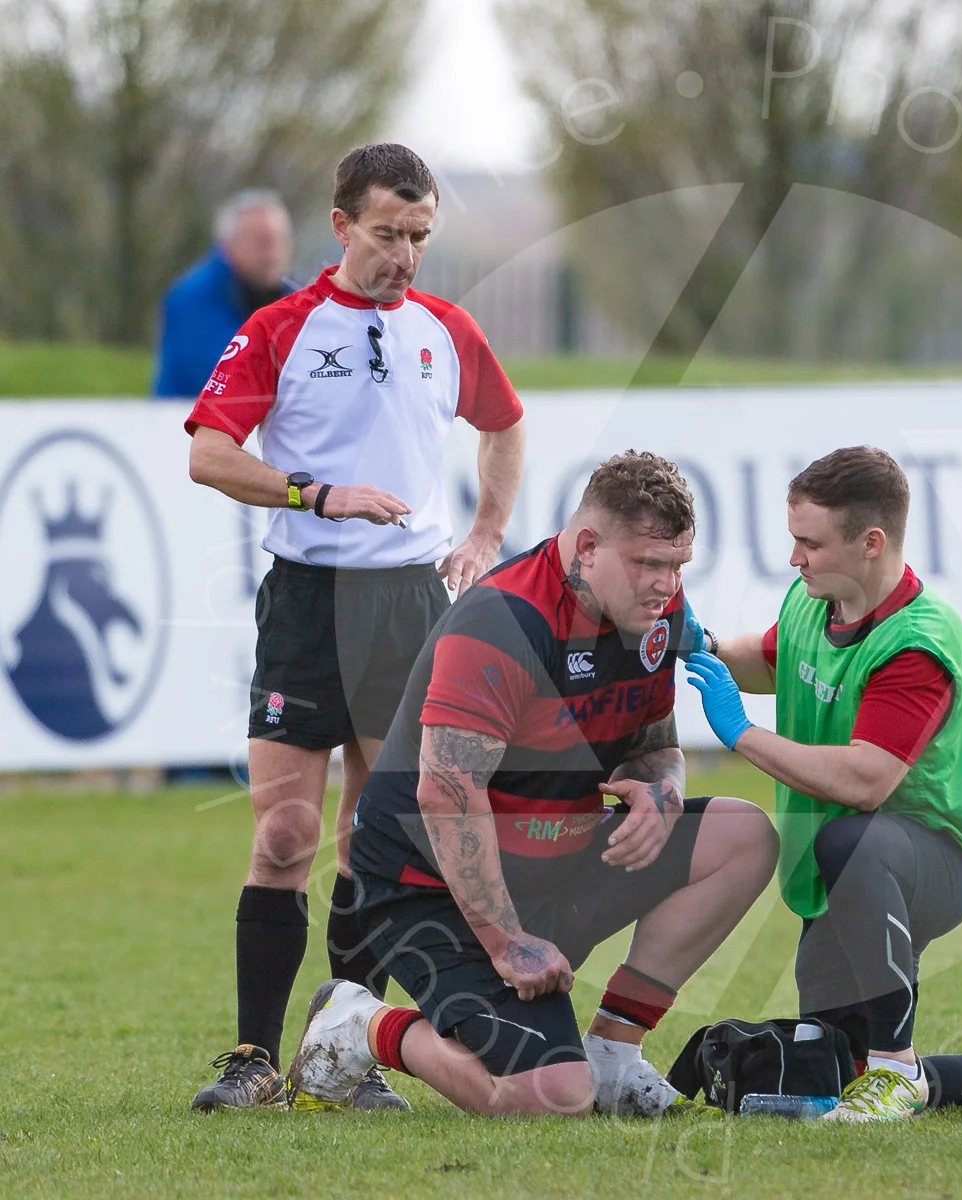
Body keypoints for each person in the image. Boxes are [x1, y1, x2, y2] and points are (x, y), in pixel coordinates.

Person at [184, 143, 528, 1113]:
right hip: (307, 599)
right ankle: (253, 1056)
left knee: (372, 843)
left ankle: (341, 1057)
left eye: (420, 237)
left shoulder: (445, 329)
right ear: (340, 228)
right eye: (387, 235)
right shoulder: (280, 328)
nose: (406, 255)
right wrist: (316, 494)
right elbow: (211, 455)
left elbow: (504, 423)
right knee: (287, 833)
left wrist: (487, 531)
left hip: (408, 606)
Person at [284, 452, 779, 1118]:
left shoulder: (654, 612)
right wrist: (505, 940)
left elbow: (655, 744)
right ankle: (358, 1024)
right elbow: (446, 792)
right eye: (648, 564)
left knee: (743, 835)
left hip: (551, 866)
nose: (665, 585)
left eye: (677, 566)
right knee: (547, 1096)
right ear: (587, 545)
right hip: (430, 890)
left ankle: (613, 1053)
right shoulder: (503, 621)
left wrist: (660, 794)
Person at [681, 446, 962, 1122]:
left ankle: (896, 1066)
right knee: (837, 1074)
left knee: (849, 842)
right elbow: (774, 659)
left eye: (809, 542)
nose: (793, 558)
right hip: (851, 865)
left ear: (871, 543)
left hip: (927, 862)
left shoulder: (919, 643)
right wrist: (707, 646)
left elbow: (867, 782)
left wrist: (742, 734)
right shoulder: (816, 599)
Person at [153, 191, 296, 399]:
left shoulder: (297, 296)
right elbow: (220, 373)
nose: (273, 253)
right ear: (229, 245)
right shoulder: (191, 299)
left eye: (280, 241)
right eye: (262, 242)